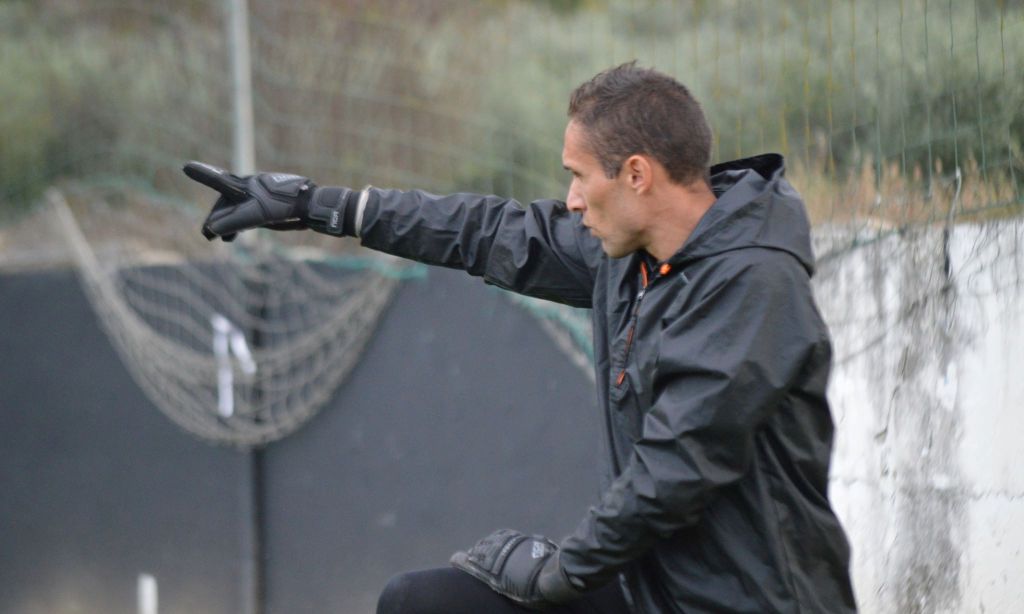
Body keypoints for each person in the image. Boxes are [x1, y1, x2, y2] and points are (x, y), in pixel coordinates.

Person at [185, 62, 857, 613]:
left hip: (750, 602)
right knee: (423, 604)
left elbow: (672, 475)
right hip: (653, 588)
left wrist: (555, 574)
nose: (569, 199)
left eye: (577, 174)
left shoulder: (753, 283)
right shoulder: (629, 255)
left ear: (636, 175)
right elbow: (488, 232)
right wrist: (316, 206)